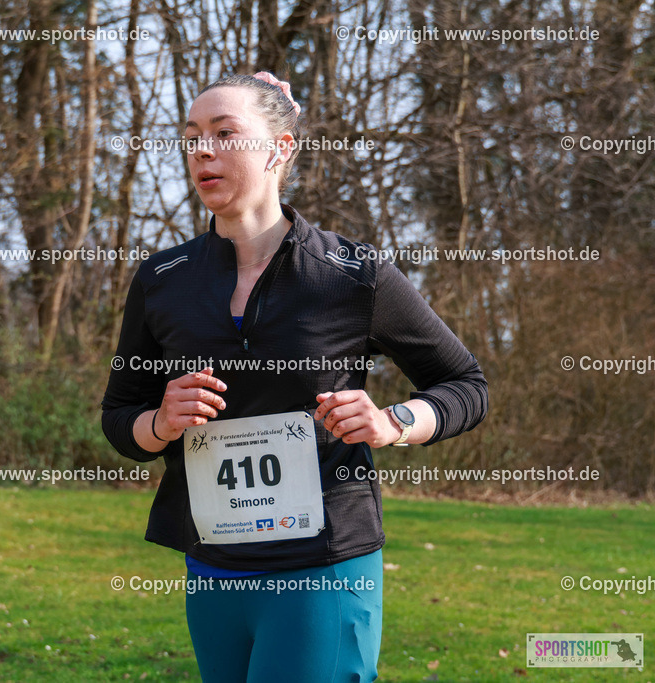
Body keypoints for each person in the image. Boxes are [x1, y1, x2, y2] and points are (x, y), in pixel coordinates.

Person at [101, 71, 488, 682]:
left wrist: (394, 422)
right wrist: (161, 420)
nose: (202, 149)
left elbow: (466, 384)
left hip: (322, 563)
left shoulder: (353, 275)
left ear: (279, 149)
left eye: (226, 133)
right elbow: (121, 420)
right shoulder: (161, 280)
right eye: (192, 134)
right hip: (214, 565)